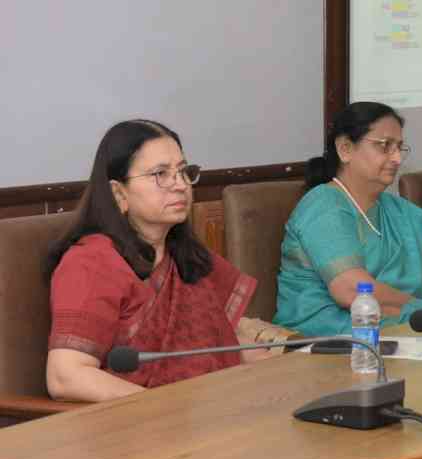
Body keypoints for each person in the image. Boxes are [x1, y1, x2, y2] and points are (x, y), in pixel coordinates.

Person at [46, 119, 293, 403]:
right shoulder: (91, 264)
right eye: (160, 174)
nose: (180, 185)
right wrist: (162, 410)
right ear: (119, 193)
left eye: (184, 172)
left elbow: (220, 345)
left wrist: (288, 372)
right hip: (134, 427)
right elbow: (66, 377)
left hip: (207, 412)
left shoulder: (185, 255)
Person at [273, 102, 422, 336]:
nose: (396, 158)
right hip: (327, 335)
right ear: (345, 149)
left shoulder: (397, 209)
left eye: (399, 147)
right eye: (385, 146)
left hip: (399, 326)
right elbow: (353, 293)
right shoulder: (324, 205)